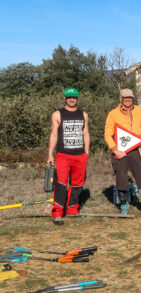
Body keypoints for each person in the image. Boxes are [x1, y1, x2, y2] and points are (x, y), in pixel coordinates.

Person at [104, 89, 141, 216]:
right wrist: (115, 149)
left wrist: (139, 136)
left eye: (130, 97)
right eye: (125, 97)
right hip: (120, 150)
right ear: (120, 98)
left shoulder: (139, 110)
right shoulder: (113, 114)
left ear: (133, 98)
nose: (127, 100)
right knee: (121, 177)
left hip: (135, 149)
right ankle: (124, 206)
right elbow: (107, 134)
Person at [46, 87, 90, 225]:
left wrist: (86, 152)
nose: (72, 99)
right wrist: (50, 154)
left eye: (74, 97)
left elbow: (86, 133)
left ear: (77, 98)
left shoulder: (83, 114)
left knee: (78, 184)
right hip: (63, 155)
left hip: (80, 155)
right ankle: (57, 213)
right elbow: (53, 135)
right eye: (69, 97)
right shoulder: (57, 114)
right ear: (65, 98)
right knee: (60, 184)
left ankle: (72, 209)